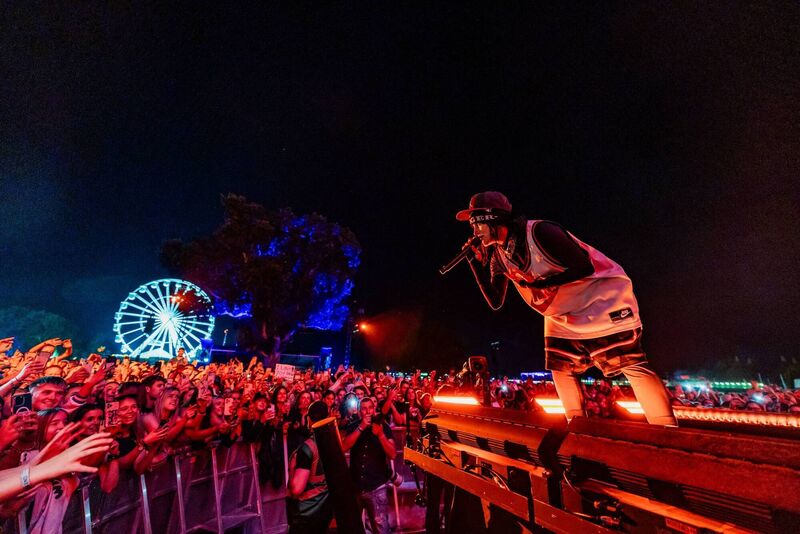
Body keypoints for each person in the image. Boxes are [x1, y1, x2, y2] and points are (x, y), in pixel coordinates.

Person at [456, 191, 676, 425]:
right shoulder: (498, 257)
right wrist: (474, 264)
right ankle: (577, 428)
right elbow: (495, 301)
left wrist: (541, 284)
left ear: (492, 218)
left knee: (630, 363)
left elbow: (583, 266)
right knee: (560, 368)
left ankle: (666, 429)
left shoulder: (540, 232)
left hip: (601, 298)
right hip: (563, 312)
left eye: (475, 224)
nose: (474, 232)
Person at [341, 397, 396, 534]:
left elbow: (393, 454)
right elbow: (344, 446)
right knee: (353, 528)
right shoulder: (353, 426)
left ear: (374, 409)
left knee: (381, 529)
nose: (367, 411)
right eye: (364, 409)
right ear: (360, 411)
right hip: (355, 486)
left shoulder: (384, 427)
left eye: (370, 408)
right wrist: (361, 428)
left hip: (376, 487)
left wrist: (381, 435)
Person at [286, 401, 333, 533]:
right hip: (325, 510)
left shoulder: (308, 447)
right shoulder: (333, 441)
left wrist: (292, 468)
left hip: (306, 514)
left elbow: (296, 489)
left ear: (309, 419)